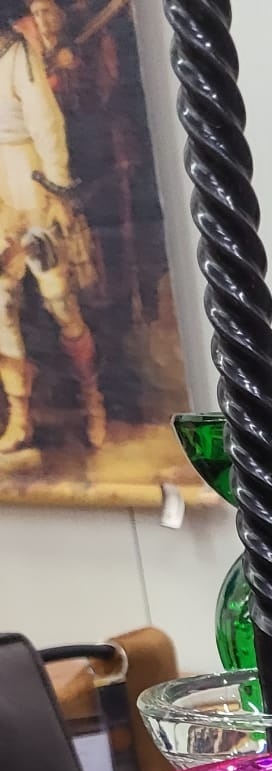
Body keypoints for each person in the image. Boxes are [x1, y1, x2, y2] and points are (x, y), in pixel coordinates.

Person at [0, 5, 105, 463]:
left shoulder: (16, 53)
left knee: (58, 296)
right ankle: (20, 416)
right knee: (0, 305)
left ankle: (92, 400)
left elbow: (46, 123)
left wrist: (57, 188)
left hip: (30, 182)